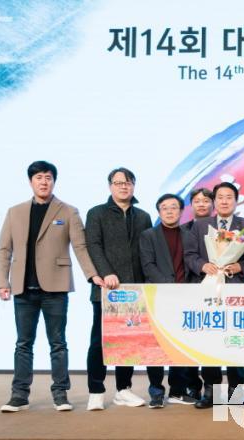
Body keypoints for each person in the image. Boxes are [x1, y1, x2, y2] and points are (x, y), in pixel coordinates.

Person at [0, 161, 103, 412]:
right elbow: (4, 249)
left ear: (54, 181)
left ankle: (60, 394)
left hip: (55, 287)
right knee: (23, 344)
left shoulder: (68, 211)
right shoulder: (15, 212)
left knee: (58, 343)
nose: (44, 182)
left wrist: (93, 275)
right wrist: (2, 282)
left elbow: (80, 247)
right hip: (23, 288)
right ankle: (19, 395)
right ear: (30, 181)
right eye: (39, 177)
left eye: (48, 177)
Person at [184, 181, 244, 409]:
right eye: (220, 197)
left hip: (236, 290)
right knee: (209, 340)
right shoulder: (200, 226)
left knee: (235, 340)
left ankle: (237, 392)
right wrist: (203, 265)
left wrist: (240, 266)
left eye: (229, 197)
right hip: (208, 289)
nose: (224, 201)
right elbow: (190, 255)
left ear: (236, 201)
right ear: (214, 202)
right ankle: (211, 391)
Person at [85, 167, 153, 410]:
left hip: (134, 290)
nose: (123, 186)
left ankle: (123, 389)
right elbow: (93, 246)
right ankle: (95, 390)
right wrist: (106, 273)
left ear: (133, 185)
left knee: (128, 342)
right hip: (106, 289)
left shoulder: (143, 216)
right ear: (110, 186)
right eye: (118, 183)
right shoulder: (96, 213)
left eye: (128, 182)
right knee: (99, 341)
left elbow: (147, 251)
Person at [139, 194, 197, 408]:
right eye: (165, 208)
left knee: (179, 346)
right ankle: (156, 391)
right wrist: (169, 286)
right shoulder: (148, 235)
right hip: (158, 296)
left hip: (184, 298)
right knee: (155, 347)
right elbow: (148, 266)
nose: (170, 211)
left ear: (181, 211)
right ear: (159, 211)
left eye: (174, 207)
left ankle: (177, 390)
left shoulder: (189, 235)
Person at [181, 187, 214, 399]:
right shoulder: (182, 229)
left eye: (206, 200)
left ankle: (219, 388)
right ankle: (193, 386)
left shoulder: (222, 227)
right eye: (197, 201)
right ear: (191, 205)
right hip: (191, 288)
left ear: (213, 204)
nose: (201, 204)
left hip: (219, 290)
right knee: (191, 341)